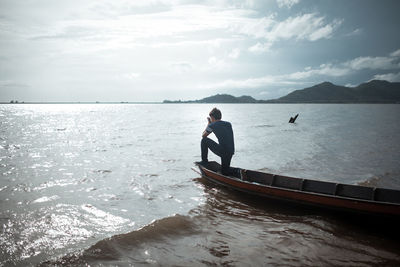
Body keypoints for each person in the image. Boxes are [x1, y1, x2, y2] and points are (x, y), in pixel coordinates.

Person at [199, 107, 236, 176]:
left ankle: (204, 161)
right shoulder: (228, 124)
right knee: (225, 172)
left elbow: (204, 135)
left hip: (223, 151)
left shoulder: (212, 125)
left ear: (212, 117)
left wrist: (208, 124)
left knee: (204, 140)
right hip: (230, 151)